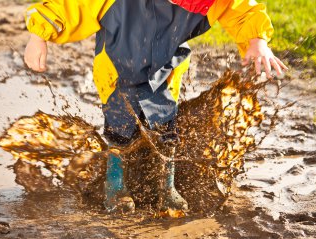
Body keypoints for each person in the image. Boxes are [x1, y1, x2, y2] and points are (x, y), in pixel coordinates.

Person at [24, 0, 288, 212]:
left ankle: (167, 187)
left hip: (165, 69)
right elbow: (72, 6)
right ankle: (115, 185)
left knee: (165, 122)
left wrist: (257, 41)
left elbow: (241, 8)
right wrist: (39, 34)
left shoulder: (206, 3)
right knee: (121, 125)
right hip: (118, 68)